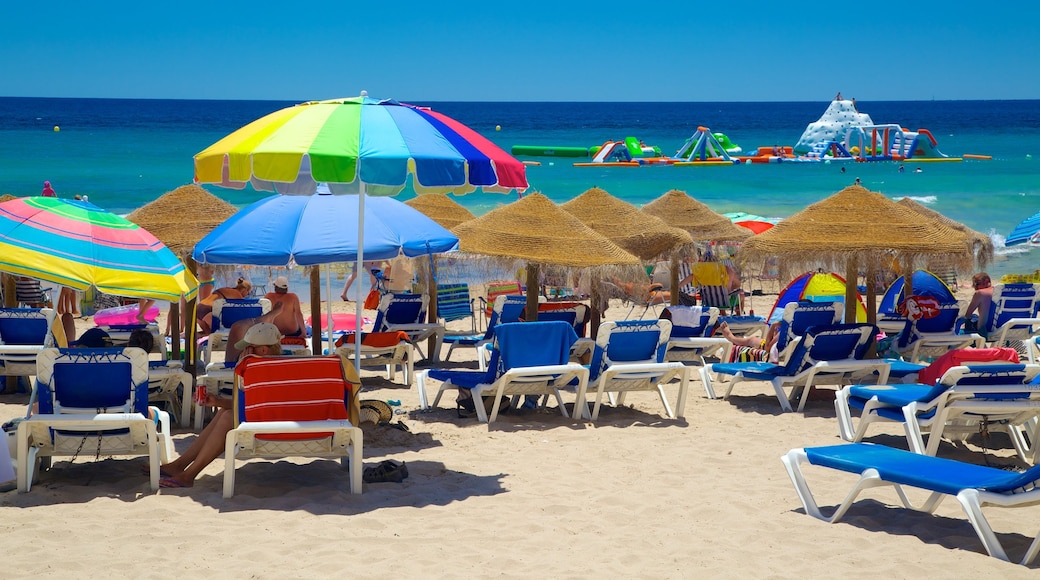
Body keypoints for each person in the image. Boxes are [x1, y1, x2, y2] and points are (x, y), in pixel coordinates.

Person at [157, 322, 283, 488]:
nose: (243, 352)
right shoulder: (283, 366)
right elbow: (251, 405)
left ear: (264, 350)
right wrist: (217, 401)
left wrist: (244, 365)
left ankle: (189, 474)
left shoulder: (258, 371)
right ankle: (180, 465)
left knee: (228, 417)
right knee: (225, 412)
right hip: (281, 419)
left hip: (274, 427)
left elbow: (247, 407)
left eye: (249, 347)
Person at [717, 321, 782, 363]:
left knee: (752, 340)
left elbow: (767, 348)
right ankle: (733, 339)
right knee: (752, 340)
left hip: (768, 349)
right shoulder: (790, 331)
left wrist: (773, 326)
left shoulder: (784, 331)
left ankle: (731, 338)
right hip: (778, 349)